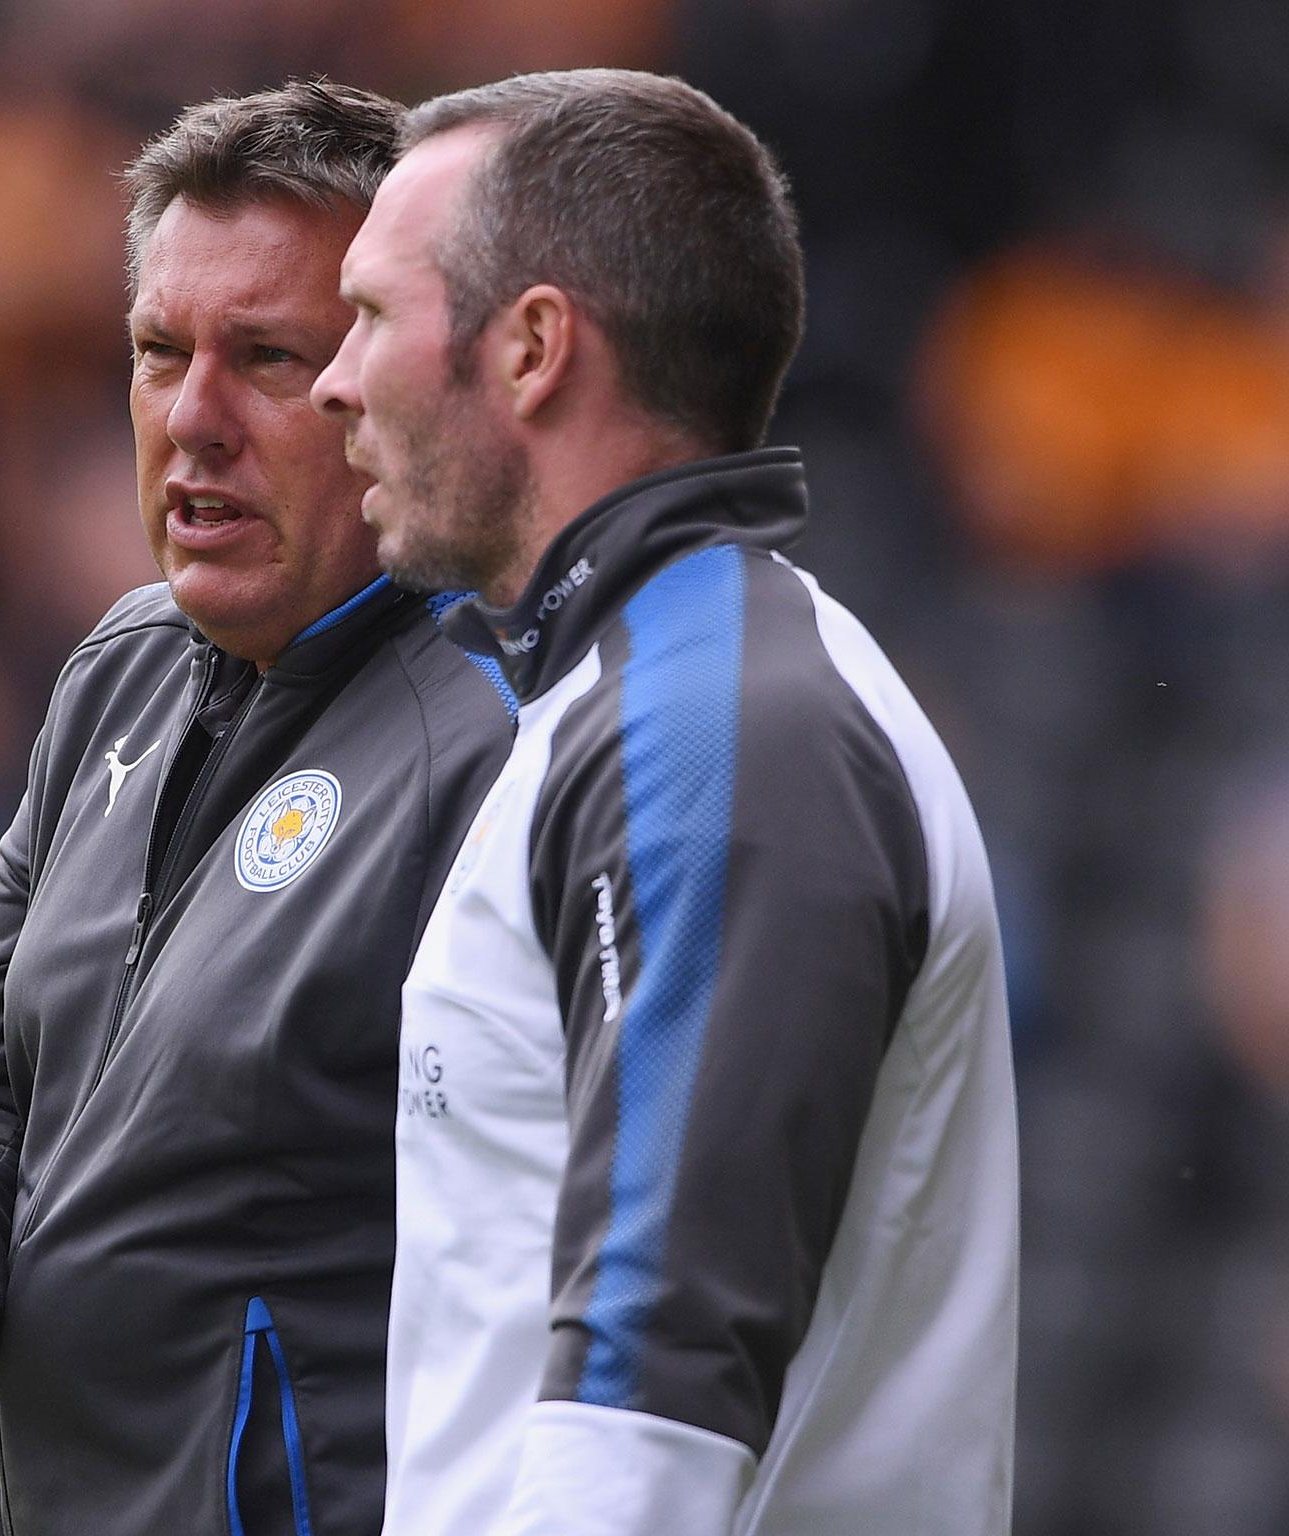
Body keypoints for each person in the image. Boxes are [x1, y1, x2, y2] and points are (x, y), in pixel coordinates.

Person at [0, 81, 513, 1536]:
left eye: (267, 356)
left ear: (405, 377)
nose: (192, 419)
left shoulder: (507, 731)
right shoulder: (123, 672)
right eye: (157, 354)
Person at [311, 69, 1018, 1536]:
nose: (331, 379)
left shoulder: (705, 732)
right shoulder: (645, 702)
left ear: (534, 349)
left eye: (371, 314)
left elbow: (655, 1402)